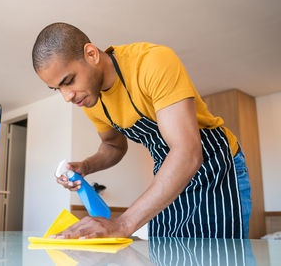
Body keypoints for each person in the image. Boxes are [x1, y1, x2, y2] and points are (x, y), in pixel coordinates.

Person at [31, 22, 252, 239]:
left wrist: (124, 223)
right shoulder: (91, 100)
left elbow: (187, 152)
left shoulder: (152, 62)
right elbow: (113, 145)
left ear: (91, 54)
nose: (67, 96)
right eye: (57, 89)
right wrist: (86, 166)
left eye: (68, 81)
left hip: (215, 169)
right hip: (167, 176)